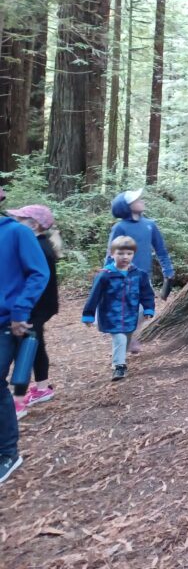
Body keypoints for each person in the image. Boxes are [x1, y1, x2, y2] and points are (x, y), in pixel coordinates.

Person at [0, 186, 51, 483]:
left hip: (6, 323)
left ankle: (7, 452)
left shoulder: (16, 233)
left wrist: (21, 312)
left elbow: (38, 272)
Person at [6, 205, 60, 419]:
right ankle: (42, 388)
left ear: (34, 225)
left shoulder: (38, 246)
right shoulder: (41, 243)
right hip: (41, 306)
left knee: (25, 348)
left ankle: (18, 402)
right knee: (36, 345)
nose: (16, 223)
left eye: (20, 219)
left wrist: (23, 307)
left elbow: (36, 279)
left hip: (35, 307)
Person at [107, 189, 173, 353]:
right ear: (127, 207)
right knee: (128, 310)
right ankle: (125, 343)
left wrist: (168, 269)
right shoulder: (120, 227)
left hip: (144, 277)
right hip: (123, 276)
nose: (141, 201)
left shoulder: (150, 225)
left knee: (144, 310)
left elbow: (161, 250)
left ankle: (130, 337)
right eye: (136, 200)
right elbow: (111, 253)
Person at [83, 235, 156, 381]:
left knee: (127, 337)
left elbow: (147, 293)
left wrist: (148, 308)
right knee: (120, 339)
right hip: (111, 315)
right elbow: (94, 296)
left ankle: (121, 356)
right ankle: (118, 366)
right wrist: (88, 314)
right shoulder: (105, 275)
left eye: (129, 254)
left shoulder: (139, 274)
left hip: (131, 313)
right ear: (112, 254)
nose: (125, 257)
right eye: (120, 253)